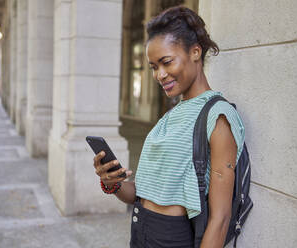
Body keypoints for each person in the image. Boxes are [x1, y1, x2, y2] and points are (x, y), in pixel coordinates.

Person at [93, 6, 245, 248]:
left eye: (166, 62)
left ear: (195, 52)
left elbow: (220, 218)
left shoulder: (218, 117)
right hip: (139, 228)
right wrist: (112, 182)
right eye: (154, 67)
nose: (159, 75)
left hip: (172, 239)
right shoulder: (169, 116)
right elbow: (138, 195)